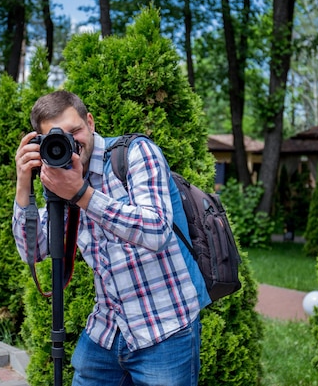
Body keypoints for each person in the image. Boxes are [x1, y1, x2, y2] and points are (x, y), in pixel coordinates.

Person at [13, 90, 205, 386]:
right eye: (57, 137)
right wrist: (23, 184)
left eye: (75, 130)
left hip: (165, 329)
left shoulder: (135, 153)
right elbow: (33, 250)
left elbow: (156, 230)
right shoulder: (59, 176)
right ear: (41, 142)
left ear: (90, 122)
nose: (71, 142)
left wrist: (82, 194)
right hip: (106, 329)